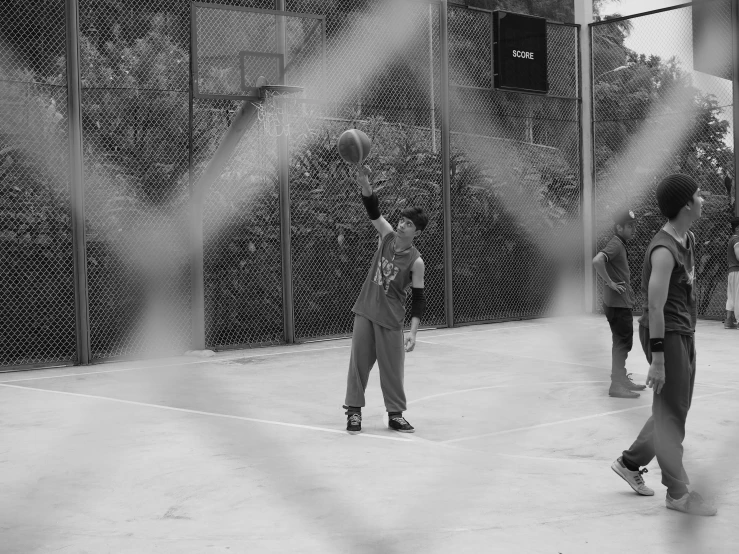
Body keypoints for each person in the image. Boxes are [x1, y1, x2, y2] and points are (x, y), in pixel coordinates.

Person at [611, 174, 716, 516]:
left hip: (683, 332)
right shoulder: (663, 250)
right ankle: (678, 492)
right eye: (699, 195)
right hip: (665, 335)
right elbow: (654, 307)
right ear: (686, 204)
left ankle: (630, 462)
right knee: (672, 414)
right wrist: (657, 359)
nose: (704, 199)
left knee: (672, 408)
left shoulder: (688, 238)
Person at [343, 165, 428, 435]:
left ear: (417, 231)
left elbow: (418, 300)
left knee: (393, 369)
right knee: (358, 364)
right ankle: (354, 412)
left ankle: (395, 415)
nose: (402, 225)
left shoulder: (416, 262)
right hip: (366, 311)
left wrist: (413, 333)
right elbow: (372, 207)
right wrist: (365, 181)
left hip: (391, 319)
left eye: (409, 224)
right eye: (402, 220)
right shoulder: (387, 235)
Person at [592, 209, 646, 399]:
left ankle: (621, 378)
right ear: (618, 227)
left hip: (619, 303)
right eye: (629, 226)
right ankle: (617, 384)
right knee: (622, 343)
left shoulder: (621, 244)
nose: (633, 229)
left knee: (623, 342)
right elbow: (597, 260)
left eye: (634, 225)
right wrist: (610, 282)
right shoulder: (615, 244)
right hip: (617, 305)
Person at [724, 216, 739, 329]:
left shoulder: (732, 239)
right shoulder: (736, 240)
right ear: (737, 228)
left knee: (732, 296)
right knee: (738, 296)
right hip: (737, 271)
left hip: (731, 272)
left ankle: (729, 321)